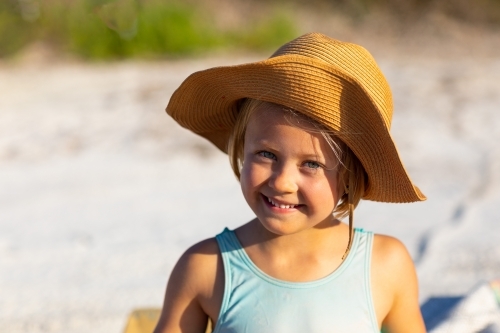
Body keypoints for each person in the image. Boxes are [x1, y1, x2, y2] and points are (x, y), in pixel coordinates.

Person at [154, 32, 427, 333]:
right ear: (243, 147)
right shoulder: (206, 268)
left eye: (312, 164)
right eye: (266, 154)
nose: (283, 182)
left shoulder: (386, 265)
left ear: (351, 177)